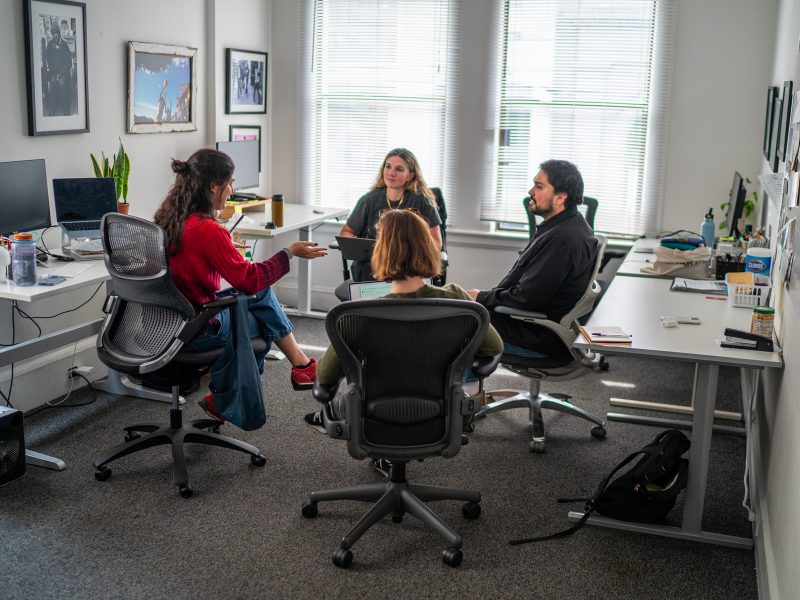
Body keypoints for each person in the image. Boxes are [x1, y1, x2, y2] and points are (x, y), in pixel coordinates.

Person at [305, 209, 503, 475]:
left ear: (381, 253)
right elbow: (494, 348)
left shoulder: (356, 315)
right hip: (441, 412)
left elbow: (325, 377)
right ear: (426, 248)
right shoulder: (457, 301)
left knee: (335, 397)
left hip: (373, 416)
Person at [153, 148, 326, 421]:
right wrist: (289, 252)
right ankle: (294, 368)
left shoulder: (169, 219)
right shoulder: (209, 230)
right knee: (261, 318)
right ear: (213, 186)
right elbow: (250, 279)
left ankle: (297, 367)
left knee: (259, 298)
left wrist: (223, 250)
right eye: (231, 182)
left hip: (166, 324)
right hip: (198, 329)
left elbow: (190, 260)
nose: (233, 190)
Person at [468, 159, 598, 357]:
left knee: (457, 324)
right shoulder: (568, 225)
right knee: (458, 311)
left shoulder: (560, 240)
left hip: (537, 336)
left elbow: (526, 298)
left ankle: (460, 388)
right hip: (534, 326)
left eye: (539, 186)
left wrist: (481, 297)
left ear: (560, 197)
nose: (531, 191)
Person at [338, 148, 442, 282]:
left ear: (410, 175)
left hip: (409, 269)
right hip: (373, 268)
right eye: (388, 167)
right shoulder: (369, 200)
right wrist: (356, 248)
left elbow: (436, 243)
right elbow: (347, 231)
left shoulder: (422, 201)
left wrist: (412, 253)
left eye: (399, 169)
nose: (391, 173)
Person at [44, 20, 73, 116]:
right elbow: (49, 61)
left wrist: (61, 73)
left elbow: (68, 62)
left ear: (59, 33)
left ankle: (65, 107)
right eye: (53, 33)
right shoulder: (49, 46)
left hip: (63, 73)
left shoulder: (64, 46)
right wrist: (55, 73)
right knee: (52, 82)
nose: (54, 35)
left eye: (56, 33)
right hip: (54, 72)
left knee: (62, 83)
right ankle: (53, 107)